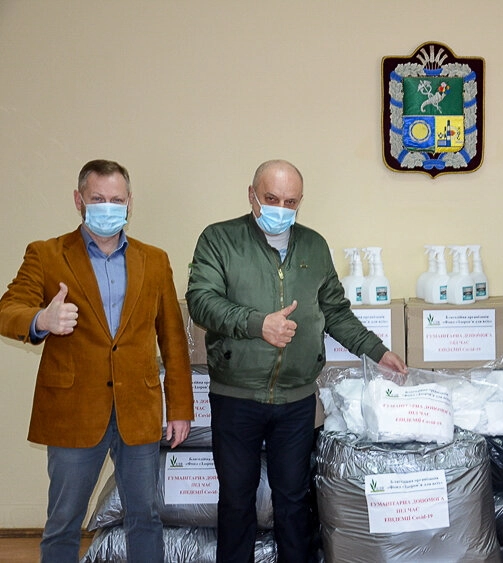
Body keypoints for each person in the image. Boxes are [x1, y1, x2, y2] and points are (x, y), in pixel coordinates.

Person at [186, 159, 407, 563]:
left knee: (293, 502)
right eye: (271, 198)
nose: (280, 208)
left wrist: (378, 351)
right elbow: (202, 302)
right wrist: (258, 324)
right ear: (251, 195)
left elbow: (335, 311)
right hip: (237, 396)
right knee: (236, 500)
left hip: (296, 400)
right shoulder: (219, 239)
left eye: (290, 201)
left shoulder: (314, 245)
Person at [0, 159, 194, 563]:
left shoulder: (154, 260)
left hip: (138, 410)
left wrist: (179, 409)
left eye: (116, 200)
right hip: (73, 410)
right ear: (79, 200)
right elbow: (8, 309)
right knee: (64, 521)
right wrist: (42, 320)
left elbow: (173, 340)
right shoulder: (46, 254)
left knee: (145, 517)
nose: (108, 207)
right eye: (98, 199)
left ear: (129, 204)